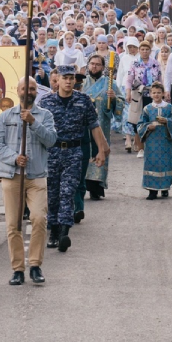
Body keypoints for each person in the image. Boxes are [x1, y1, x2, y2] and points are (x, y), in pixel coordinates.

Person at [0, 77, 57, 285]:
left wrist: (33, 123)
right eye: (24, 88)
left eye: (32, 88)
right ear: (17, 90)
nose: (28, 91)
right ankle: (17, 269)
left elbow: (51, 140)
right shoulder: (5, 116)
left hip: (36, 176)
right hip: (12, 176)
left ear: (37, 91)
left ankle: (35, 265)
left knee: (39, 219)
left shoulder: (45, 115)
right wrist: (14, 158)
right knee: (14, 224)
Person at [40, 65, 106, 252]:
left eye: (72, 78)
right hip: (52, 152)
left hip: (74, 152)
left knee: (68, 191)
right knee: (53, 193)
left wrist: (100, 151)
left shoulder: (83, 100)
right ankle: (53, 230)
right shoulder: (46, 102)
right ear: (57, 80)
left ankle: (64, 231)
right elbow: (37, 129)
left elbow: (94, 126)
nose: (69, 81)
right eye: (65, 77)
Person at [78, 54, 120, 206]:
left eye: (98, 64)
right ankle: (83, 186)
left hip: (102, 125)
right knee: (84, 153)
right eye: (92, 64)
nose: (94, 66)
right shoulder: (81, 83)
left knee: (99, 151)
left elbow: (121, 104)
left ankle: (96, 188)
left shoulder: (110, 84)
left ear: (103, 68)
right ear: (88, 65)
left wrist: (114, 98)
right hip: (83, 126)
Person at [137, 82, 172, 199]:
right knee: (152, 163)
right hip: (152, 142)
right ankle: (152, 191)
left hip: (165, 141)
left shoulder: (169, 107)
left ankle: (165, 188)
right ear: (150, 94)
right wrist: (148, 127)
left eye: (159, 93)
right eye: (154, 93)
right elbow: (140, 124)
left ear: (163, 94)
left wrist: (167, 121)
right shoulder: (147, 109)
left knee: (166, 164)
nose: (156, 95)